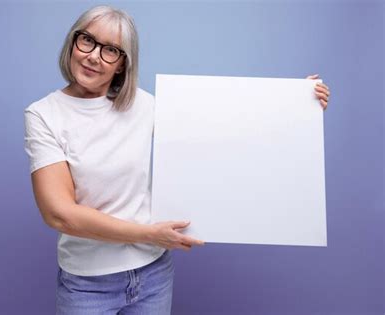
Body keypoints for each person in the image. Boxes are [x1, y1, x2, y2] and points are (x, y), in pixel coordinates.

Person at [23, 5, 331, 315]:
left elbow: (223, 134)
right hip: (87, 285)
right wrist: (147, 234)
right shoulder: (44, 115)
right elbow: (59, 214)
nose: (93, 55)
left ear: (122, 64)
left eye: (110, 50)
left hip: (153, 275)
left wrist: (293, 104)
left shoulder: (143, 106)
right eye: (87, 40)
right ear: (73, 42)